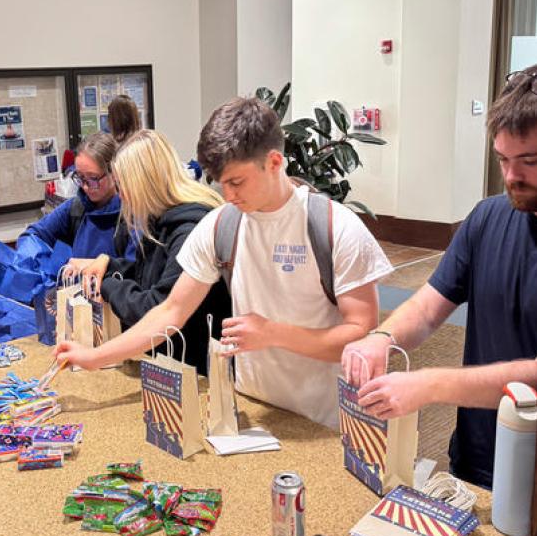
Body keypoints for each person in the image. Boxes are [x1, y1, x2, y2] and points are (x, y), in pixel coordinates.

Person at [57, 97, 392, 428]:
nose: (228, 195)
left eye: (237, 182)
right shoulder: (221, 225)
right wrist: (95, 358)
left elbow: (361, 334)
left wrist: (273, 333)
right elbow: (170, 311)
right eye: (222, 183)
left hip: (324, 422)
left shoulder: (335, 227)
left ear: (274, 163)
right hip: (249, 410)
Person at [342, 67, 537, 488]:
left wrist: (432, 384)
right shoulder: (487, 218)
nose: (511, 177)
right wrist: (383, 338)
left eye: (529, 161)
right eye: (503, 159)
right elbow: (429, 307)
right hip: (477, 457)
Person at [78, 129, 230, 375]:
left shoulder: (189, 230)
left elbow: (156, 308)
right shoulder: (159, 221)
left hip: (195, 373)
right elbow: (149, 276)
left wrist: (106, 284)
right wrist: (111, 266)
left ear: (142, 184)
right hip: (171, 363)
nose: (120, 194)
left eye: (123, 186)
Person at [22, 132, 135, 260]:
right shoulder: (75, 209)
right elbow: (32, 235)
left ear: (114, 173)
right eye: (80, 178)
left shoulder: (132, 216)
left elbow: (133, 270)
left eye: (93, 179)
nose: (85, 187)